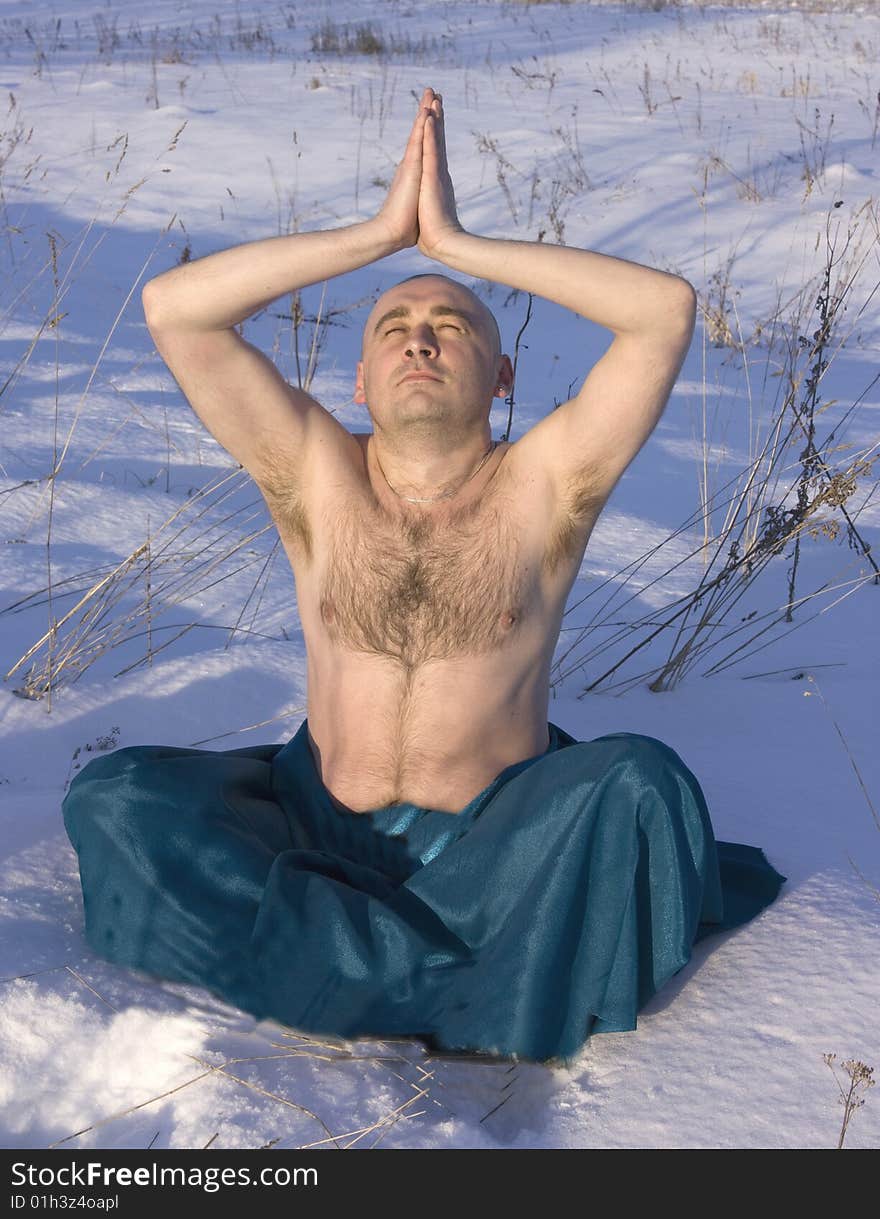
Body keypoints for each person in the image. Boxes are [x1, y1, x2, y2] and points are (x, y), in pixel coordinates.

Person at [63, 88, 784, 1064]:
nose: (419, 333)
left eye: (451, 323)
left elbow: (662, 315)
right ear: (359, 380)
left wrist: (455, 245)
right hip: (314, 825)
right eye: (394, 324)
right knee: (118, 799)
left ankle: (333, 972)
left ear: (501, 378)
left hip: (492, 851)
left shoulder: (547, 483)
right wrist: (377, 236)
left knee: (641, 788)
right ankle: (472, 986)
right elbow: (175, 311)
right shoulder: (313, 471)